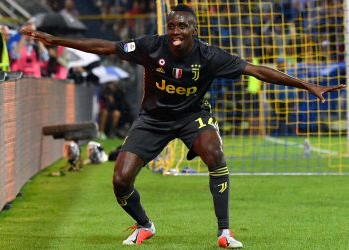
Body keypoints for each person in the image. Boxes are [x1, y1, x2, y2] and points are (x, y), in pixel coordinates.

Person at [20, 4, 345, 249]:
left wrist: (309, 86)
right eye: (172, 25)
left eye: (182, 27)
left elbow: (257, 71)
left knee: (215, 153)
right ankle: (144, 224)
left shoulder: (209, 55)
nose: (175, 31)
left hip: (192, 116)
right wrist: (55, 40)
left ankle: (224, 231)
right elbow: (105, 47)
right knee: (120, 179)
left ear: (194, 29)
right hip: (152, 120)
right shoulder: (151, 45)